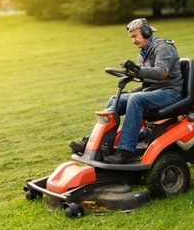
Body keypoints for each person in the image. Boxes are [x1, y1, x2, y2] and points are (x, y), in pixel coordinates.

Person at [69, 18, 183, 164]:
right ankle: (92, 142)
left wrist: (137, 70)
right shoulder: (143, 53)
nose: (133, 41)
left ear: (147, 32)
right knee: (115, 99)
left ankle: (126, 151)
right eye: (131, 37)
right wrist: (129, 88)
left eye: (135, 36)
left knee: (135, 100)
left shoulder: (163, 47)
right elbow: (145, 83)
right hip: (153, 91)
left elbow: (162, 72)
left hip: (170, 92)